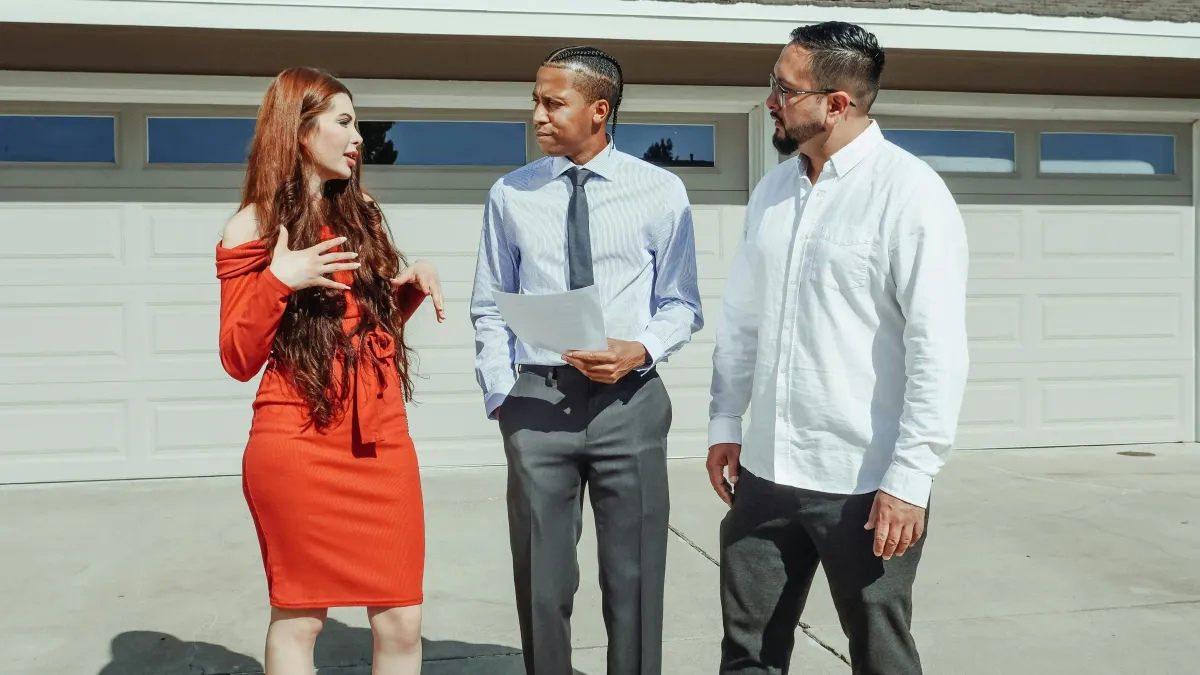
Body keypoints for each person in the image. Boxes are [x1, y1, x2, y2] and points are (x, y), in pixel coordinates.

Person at [706, 21, 970, 675]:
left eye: (783, 88)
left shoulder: (910, 195)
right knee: (747, 654)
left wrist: (910, 480)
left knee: (881, 655)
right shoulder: (772, 192)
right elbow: (742, 320)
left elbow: (937, 347)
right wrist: (724, 422)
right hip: (765, 474)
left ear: (837, 103)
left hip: (863, 481)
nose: (770, 99)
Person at [469, 45, 704, 675]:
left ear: (599, 110)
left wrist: (643, 349)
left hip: (630, 403)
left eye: (554, 102)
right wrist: (504, 399)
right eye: (536, 102)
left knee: (634, 583)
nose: (538, 116)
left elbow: (681, 303)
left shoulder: (660, 191)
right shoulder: (510, 195)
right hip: (537, 403)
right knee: (543, 588)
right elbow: (490, 305)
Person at [216, 66, 445, 675]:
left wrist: (406, 291)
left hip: (381, 439)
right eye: (344, 122)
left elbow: (358, 330)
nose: (358, 138)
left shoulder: (362, 210)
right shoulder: (253, 226)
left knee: (402, 617)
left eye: (357, 124)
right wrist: (277, 281)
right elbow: (237, 357)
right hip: (296, 441)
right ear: (299, 131)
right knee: (301, 616)